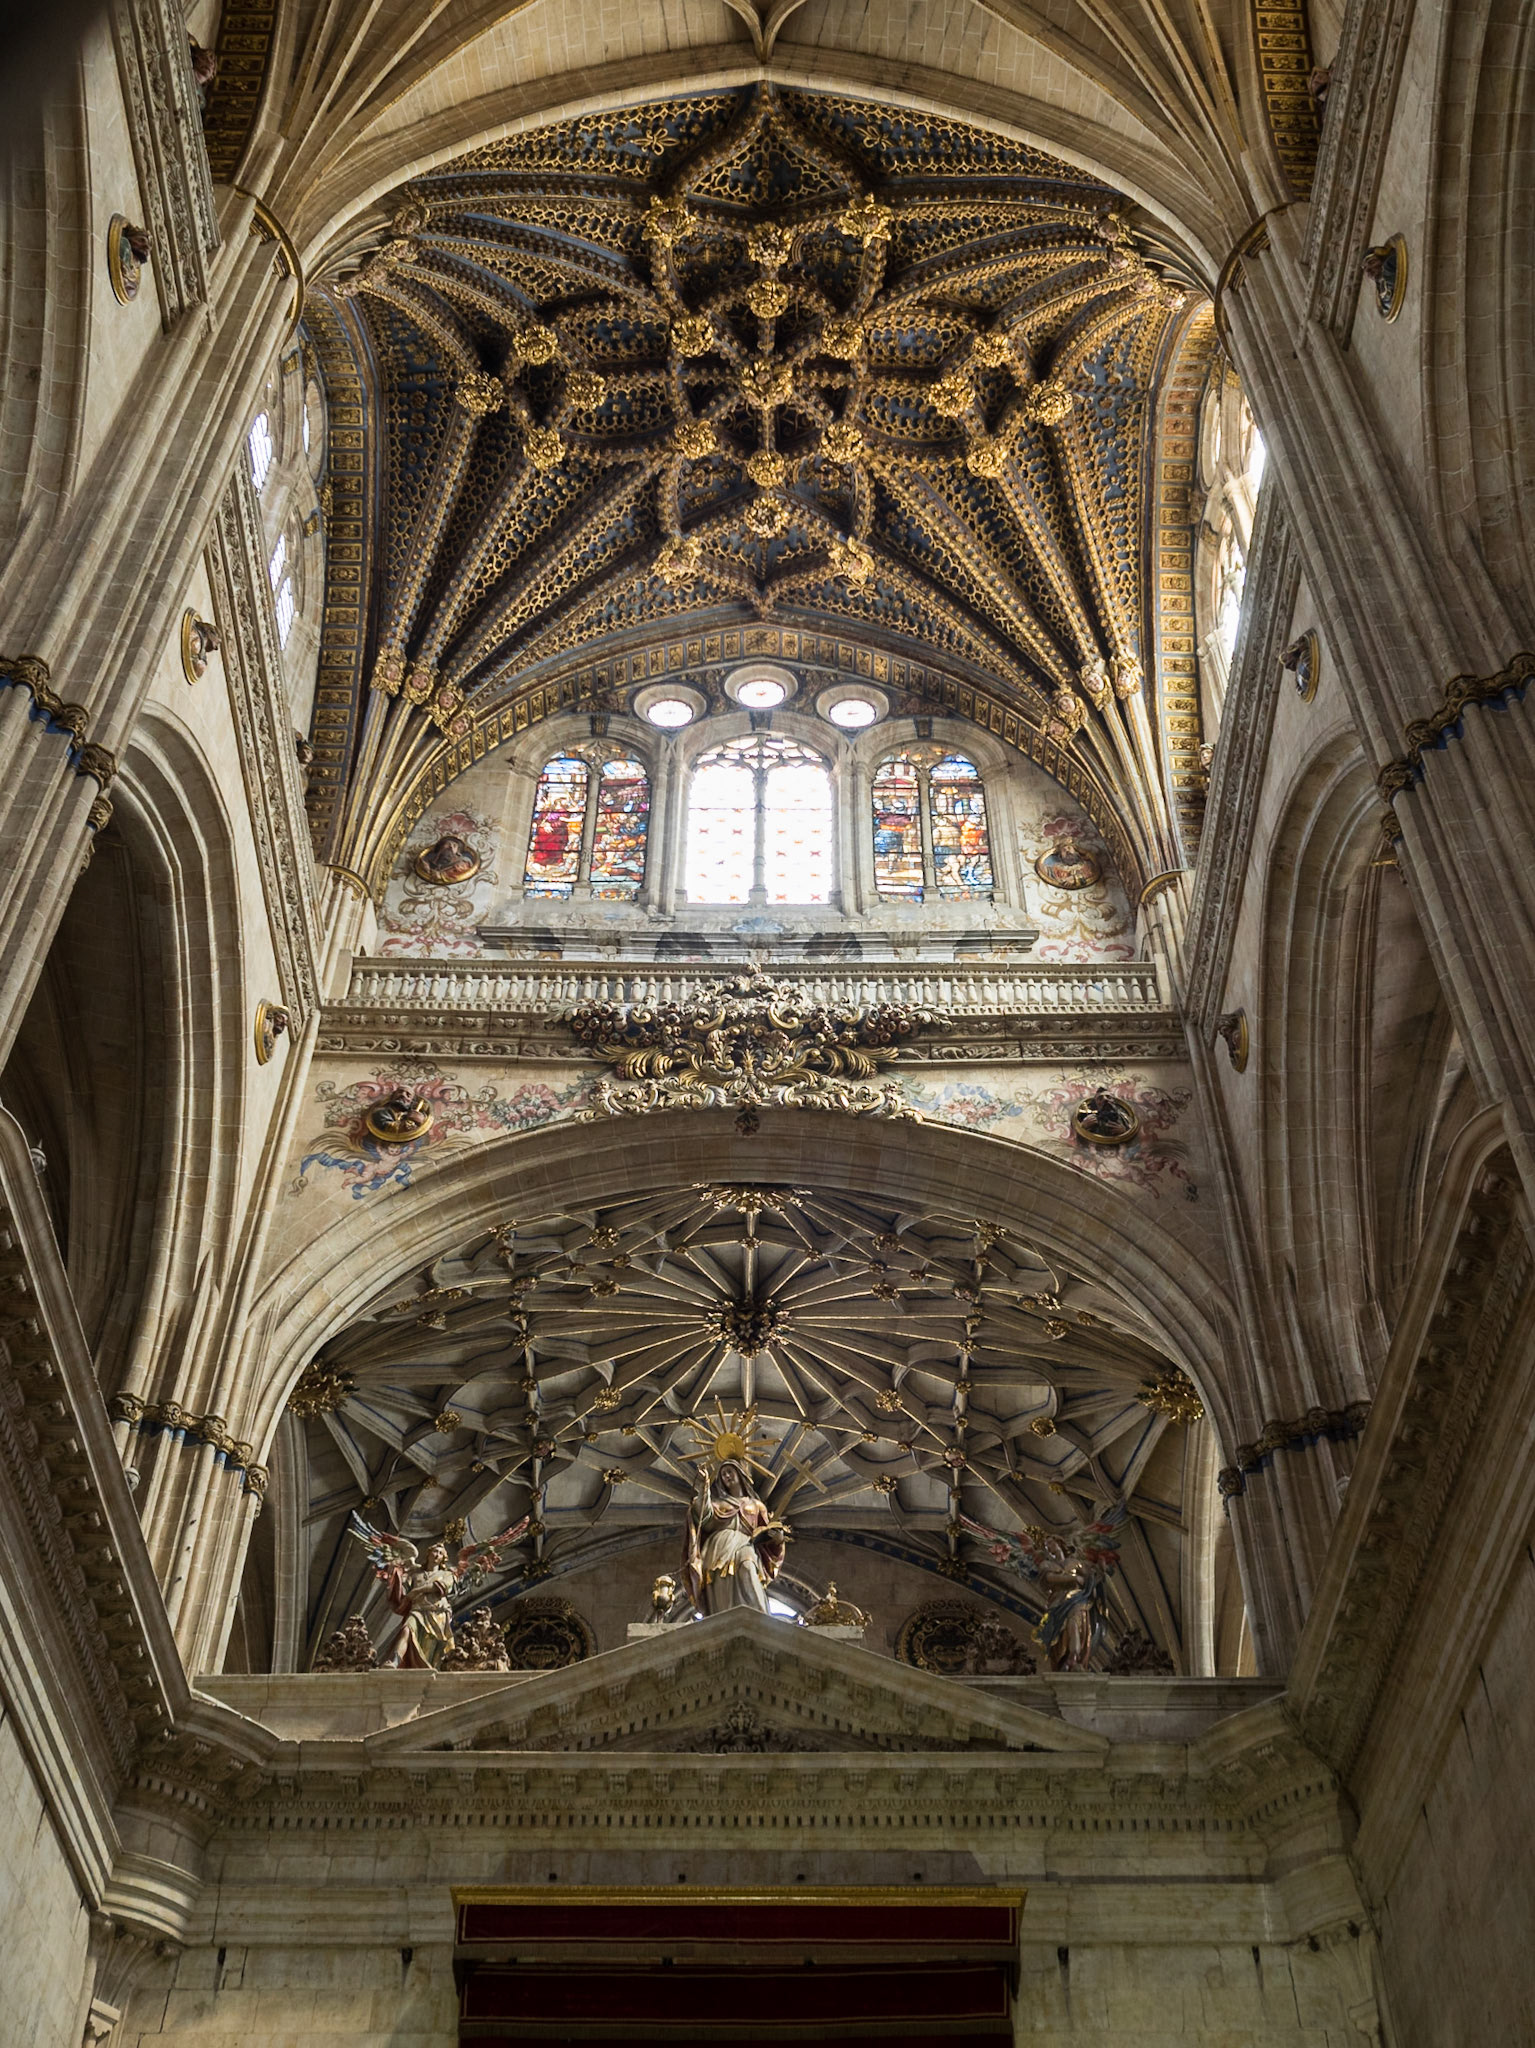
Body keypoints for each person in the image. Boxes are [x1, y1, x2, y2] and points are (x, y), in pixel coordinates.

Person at [683, 1461, 789, 1614]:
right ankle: (724, 1621)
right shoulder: (717, 1503)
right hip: (718, 1547)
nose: (727, 1476)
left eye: (729, 1472)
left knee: (747, 1568)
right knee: (720, 1584)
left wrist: (777, 1539)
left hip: (745, 1544)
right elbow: (702, 1520)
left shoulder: (757, 1505)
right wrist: (704, 1488)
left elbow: (767, 1533)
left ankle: (759, 1616)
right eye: (723, 1474)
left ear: (740, 1474)